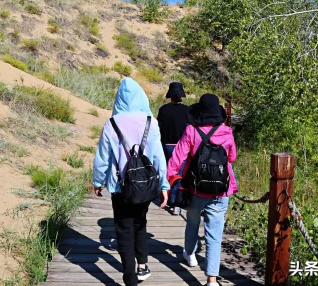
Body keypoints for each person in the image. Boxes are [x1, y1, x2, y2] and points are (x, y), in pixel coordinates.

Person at [93, 78, 170, 286]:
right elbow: (158, 157)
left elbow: (102, 157)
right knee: (140, 222)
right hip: (146, 185)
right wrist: (164, 185)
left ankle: (129, 278)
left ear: (119, 99)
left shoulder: (111, 123)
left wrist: (97, 182)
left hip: (120, 187)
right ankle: (143, 265)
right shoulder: (151, 122)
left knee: (124, 229)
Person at [167, 93, 238, 286]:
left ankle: (190, 254)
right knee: (214, 234)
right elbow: (231, 158)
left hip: (195, 188)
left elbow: (177, 157)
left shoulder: (191, 131)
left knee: (192, 222)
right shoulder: (227, 132)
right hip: (221, 189)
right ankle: (212, 279)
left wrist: (169, 181)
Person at [157, 81, 191, 215]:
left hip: (166, 145)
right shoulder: (187, 110)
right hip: (182, 147)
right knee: (179, 174)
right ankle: (175, 202)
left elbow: (158, 129)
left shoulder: (163, 110)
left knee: (166, 172)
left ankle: (164, 196)